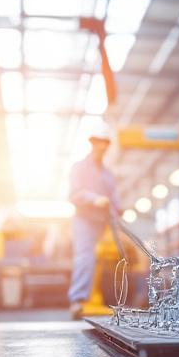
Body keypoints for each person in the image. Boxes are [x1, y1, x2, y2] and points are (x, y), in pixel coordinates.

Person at [68, 126, 121, 319]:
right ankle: (78, 300)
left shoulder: (108, 173)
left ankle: (103, 299)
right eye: (99, 142)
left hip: (103, 222)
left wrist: (118, 209)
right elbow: (74, 194)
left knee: (108, 259)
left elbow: (114, 196)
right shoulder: (79, 168)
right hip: (84, 220)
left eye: (106, 143)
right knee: (85, 256)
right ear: (92, 142)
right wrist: (94, 198)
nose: (103, 146)